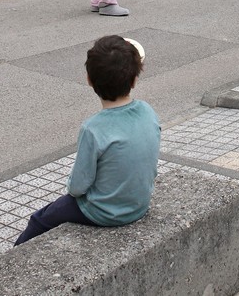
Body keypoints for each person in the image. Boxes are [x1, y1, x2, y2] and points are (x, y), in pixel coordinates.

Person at [15, 36, 160, 245]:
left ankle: (15, 255)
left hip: (104, 213)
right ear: (134, 80)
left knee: (40, 219)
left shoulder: (93, 128)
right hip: (139, 204)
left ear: (89, 80)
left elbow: (77, 188)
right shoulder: (148, 111)